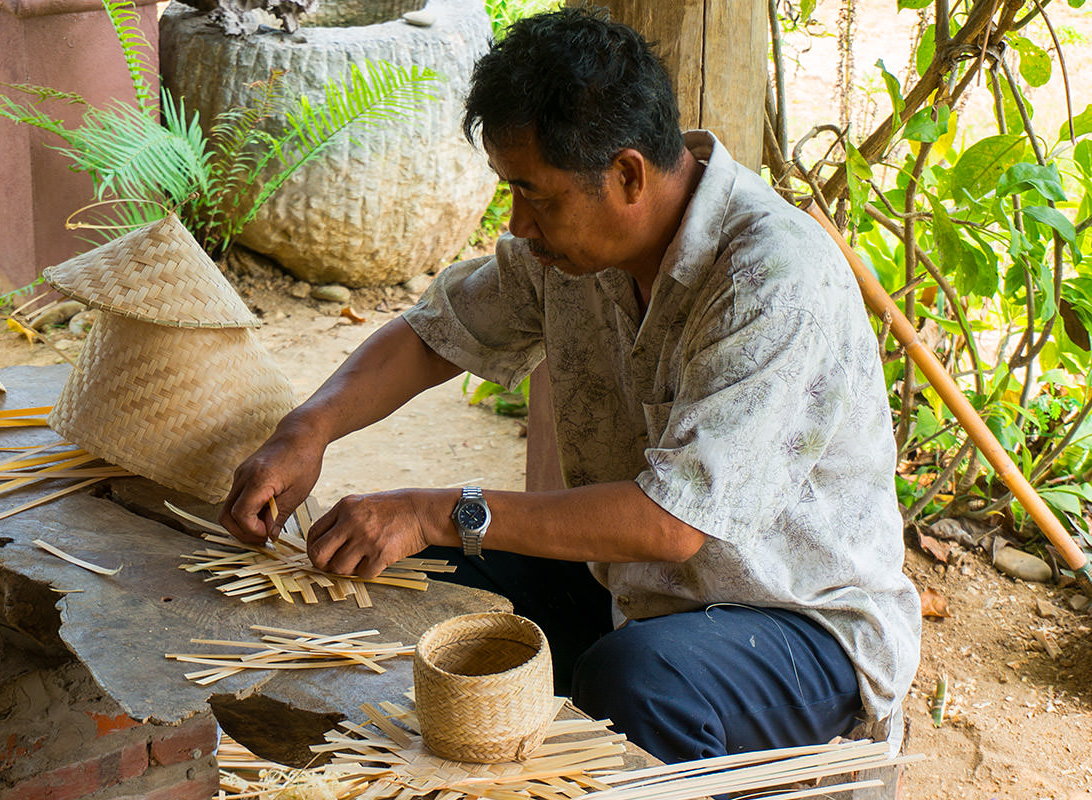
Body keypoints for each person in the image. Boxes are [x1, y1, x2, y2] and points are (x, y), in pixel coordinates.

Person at [220, 7, 921, 764]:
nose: (518, 223)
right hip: (639, 591)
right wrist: (306, 431)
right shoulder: (569, 253)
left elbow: (671, 524)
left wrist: (435, 510)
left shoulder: (771, 280)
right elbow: (437, 333)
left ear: (625, 175)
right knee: (421, 578)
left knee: (637, 680)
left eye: (536, 195)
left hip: (799, 626)